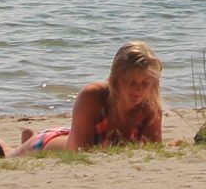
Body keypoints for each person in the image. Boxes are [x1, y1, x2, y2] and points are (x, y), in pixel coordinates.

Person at [20, 42, 166, 153]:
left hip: (72, 133)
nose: (138, 89)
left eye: (145, 83)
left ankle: (29, 136)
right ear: (116, 79)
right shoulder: (93, 96)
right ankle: (30, 138)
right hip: (45, 145)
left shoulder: (150, 107)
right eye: (131, 82)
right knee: (9, 155)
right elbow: (81, 152)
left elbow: (154, 151)